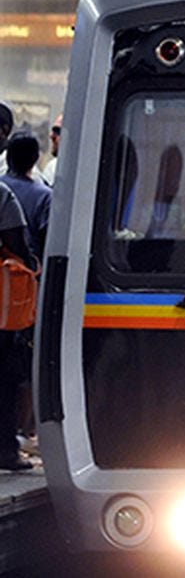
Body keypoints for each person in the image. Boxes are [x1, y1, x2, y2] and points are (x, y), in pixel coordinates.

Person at [0, 178, 35, 471]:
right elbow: (17, 243)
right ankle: (5, 451)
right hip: (2, 309)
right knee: (5, 380)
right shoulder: (2, 196)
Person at [1, 134, 52, 260]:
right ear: (35, 158)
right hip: (26, 266)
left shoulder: (2, 188)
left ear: (7, 157)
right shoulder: (44, 195)